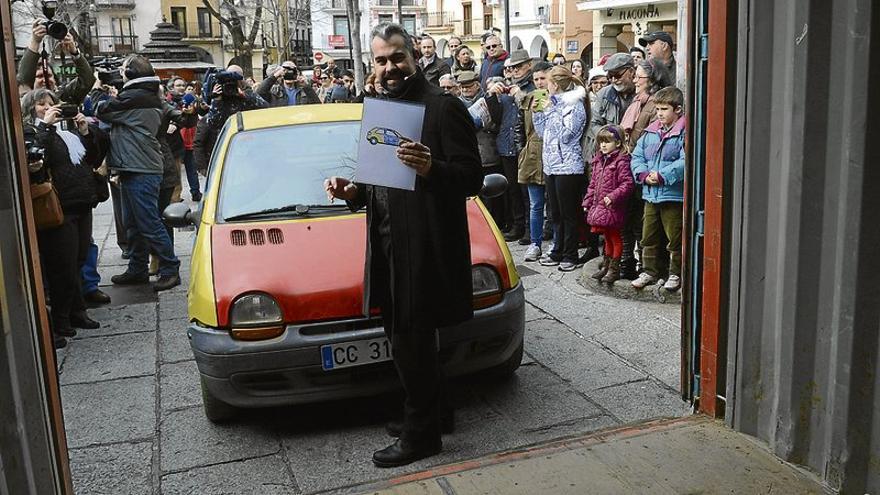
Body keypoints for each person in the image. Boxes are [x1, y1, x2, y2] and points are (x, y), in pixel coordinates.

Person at [324, 22, 482, 468]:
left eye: (397, 57)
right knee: (409, 335)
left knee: (411, 338)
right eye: (381, 60)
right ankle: (437, 412)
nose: (390, 67)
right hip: (390, 243)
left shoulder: (444, 107)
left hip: (426, 246)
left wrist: (432, 167)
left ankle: (421, 434)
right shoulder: (379, 108)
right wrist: (352, 192)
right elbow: (380, 183)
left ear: (414, 56)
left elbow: (472, 178)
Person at [22, 88, 107, 348]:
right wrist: (45, 126)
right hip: (59, 206)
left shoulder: (68, 133)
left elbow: (94, 157)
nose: (48, 108)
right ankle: (61, 318)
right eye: (41, 105)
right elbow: (38, 155)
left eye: (52, 103)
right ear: (30, 109)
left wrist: (84, 131)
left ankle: (76, 311)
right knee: (62, 265)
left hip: (82, 202)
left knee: (79, 258)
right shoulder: (32, 132)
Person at [93, 54, 181, 291]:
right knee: (132, 224)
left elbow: (99, 110)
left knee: (149, 223)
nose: (119, 73)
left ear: (130, 75)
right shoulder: (144, 95)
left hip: (142, 169)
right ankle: (137, 268)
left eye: (122, 70)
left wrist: (97, 89)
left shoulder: (136, 97)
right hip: (134, 167)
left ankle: (170, 268)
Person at [532, 66, 589, 272]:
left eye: (547, 82)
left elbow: (566, 135)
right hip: (551, 165)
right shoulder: (554, 104)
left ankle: (570, 254)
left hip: (569, 167)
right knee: (554, 212)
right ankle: (557, 250)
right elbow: (541, 133)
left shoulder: (575, 105)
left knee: (568, 214)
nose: (545, 86)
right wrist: (538, 113)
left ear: (555, 84)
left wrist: (551, 111)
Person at [629, 86, 686, 291]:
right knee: (648, 236)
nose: (660, 114)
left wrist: (663, 176)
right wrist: (643, 175)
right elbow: (637, 156)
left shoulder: (683, 132)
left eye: (664, 109)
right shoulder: (651, 131)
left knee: (675, 238)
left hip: (672, 194)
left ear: (677, 110)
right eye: (658, 109)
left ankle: (675, 273)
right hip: (651, 194)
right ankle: (649, 271)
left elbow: (685, 160)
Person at [488, 49, 534, 243]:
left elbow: (537, 113)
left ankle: (530, 229)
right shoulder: (506, 87)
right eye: (512, 68)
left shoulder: (534, 87)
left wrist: (519, 96)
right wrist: (491, 95)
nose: (515, 71)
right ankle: (517, 226)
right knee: (513, 189)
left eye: (519, 66)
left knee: (527, 191)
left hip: (526, 145)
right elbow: (496, 117)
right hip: (506, 144)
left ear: (528, 66)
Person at [194, 65, 267, 175]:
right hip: (228, 150)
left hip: (251, 149)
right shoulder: (219, 97)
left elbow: (264, 107)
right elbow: (213, 123)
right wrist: (216, 99)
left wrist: (246, 93)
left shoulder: (246, 96)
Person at [584, 125, 634, 283]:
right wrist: (588, 200)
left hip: (614, 206)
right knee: (606, 236)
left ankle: (614, 268)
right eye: (601, 142)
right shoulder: (598, 161)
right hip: (601, 206)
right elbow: (593, 184)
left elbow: (627, 183)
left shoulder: (621, 160)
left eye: (607, 142)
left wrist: (613, 196)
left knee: (615, 236)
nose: (603, 145)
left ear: (618, 143)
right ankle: (606, 265)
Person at [459, 71, 504, 227]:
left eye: (469, 86)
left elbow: (496, 122)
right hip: (469, 155)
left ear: (477, 85)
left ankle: (495, 224)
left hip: (488, 153)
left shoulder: (487, 99)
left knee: (493, 195)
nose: (465, 90)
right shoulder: (456, 103)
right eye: (462, 87)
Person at [518, 61, 551, 262]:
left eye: (543, 78)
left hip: (552, 154)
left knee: (554, 206)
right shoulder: (529, 99)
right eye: (536, 79)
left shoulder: (558, 99)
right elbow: (521, 128)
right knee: (535, 204)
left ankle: (555, 243)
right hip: (531, 154)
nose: (539, 83)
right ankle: (535, 243)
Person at [17, 22, 95, 104]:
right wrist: (35, 42)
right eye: (40, 76)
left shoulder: (64, 96)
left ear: (55, 79)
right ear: (31, 81)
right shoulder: (28, 101)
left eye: (49, 76)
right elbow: (24, 78)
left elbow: (87, 80)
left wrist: (74, 52)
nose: (45, 80)